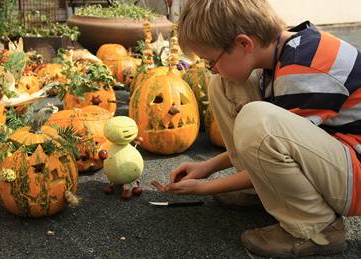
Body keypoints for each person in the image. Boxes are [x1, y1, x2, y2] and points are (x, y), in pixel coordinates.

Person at [151, 0, 361, 257]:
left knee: (257, 117)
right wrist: (207, 166)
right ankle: (262, 191)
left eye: (210, 61)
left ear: (243, 44)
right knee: (224, 84)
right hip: (340, 158)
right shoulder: (286, 52)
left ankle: (316, 226)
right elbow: (283, 143)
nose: (212, 69)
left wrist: (206, 187)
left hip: (355, 176)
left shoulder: (301, 71)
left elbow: (272, 138)